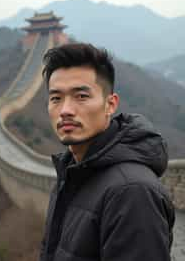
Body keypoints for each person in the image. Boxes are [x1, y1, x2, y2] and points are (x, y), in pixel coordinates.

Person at [39, 43, 175, 261]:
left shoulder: (132, 191)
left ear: (110, 104)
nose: (65, 110)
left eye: (81, 96)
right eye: (56, 98)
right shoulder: (71, 173)